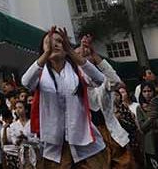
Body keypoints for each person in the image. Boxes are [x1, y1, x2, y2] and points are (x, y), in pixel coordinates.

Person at [21, 26, 108, 168]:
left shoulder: (77, 69)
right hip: (55, 147)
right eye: (48, 42)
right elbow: (26, 82)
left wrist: (72, 52)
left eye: (59, 41)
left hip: (86, 144)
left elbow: (99, 79)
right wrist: (46, 53)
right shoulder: (40, 73)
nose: (54, 44)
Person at [75, 36, 135, 169]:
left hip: (113, 135)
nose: (83, 55)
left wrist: (94, 54)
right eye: (78, 55)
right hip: (90, 139)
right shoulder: (74, 84)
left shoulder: (103, 83)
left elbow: (116, 81)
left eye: (85, 54)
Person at [8, 100, 38, 169]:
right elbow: (14, 140)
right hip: (19, 154)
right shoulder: (13, 125)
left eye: (20, 107)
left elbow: (37, 140)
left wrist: (26, 138)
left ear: (26, 110)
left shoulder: (32, 123)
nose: (18, 110)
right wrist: (19, 140)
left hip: (32, 152)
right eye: (16, 108)